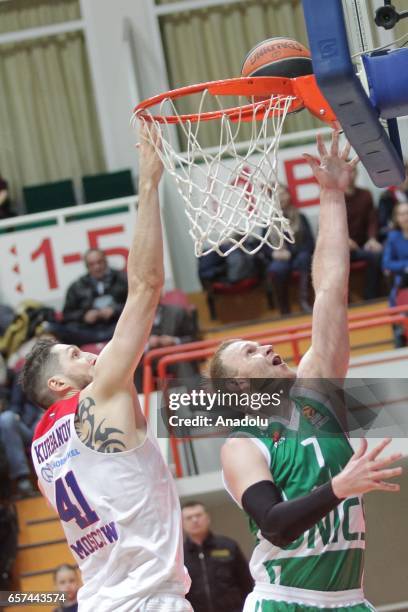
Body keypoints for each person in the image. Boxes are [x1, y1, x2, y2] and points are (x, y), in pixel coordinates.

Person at [210, 131, 403, 611]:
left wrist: (332, 194)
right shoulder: (243, 444)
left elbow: (332, 288)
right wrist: (339, 487)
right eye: (251, 351)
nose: (268, 346)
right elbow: (274, 523)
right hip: (284, 600)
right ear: (238, 384)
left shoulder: (317, 389)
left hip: (350, 601)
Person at [23, 125, 192, 612]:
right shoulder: (100, 395)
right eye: (75, 355)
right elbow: (145, 286)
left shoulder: (38, 449)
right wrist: (149, 184)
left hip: (100, 600)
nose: (92, 354)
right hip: (148, 601)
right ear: (59, 385)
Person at [182, 500, 253, 612]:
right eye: (189, 517)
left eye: (198, 515)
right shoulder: (180, 555)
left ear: (207, 518)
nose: (195, 520)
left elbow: (246, 582)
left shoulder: (228, 546)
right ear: (182, 523)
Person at [50, 249, 128, 346]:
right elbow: (67, 315)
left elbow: (136, 304)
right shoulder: (76, 287)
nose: (97, 267)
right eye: (92, 264)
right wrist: (84, 316)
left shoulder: (123, 279)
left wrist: (115, 310)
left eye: (100, 262)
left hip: (118, 327)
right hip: (88, 331)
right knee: (53, 328)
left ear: (106, 261)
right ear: (87, 266)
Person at [265, 185, 314, 314]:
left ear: (289, 195)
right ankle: (284, 309)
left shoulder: (300, 217)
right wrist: (273, 253)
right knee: (276, 269)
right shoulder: (269, 222)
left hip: (298, 256)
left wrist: (290, 253)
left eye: (283, 193)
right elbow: (264, 247)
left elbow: (310, 243)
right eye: (276, 195)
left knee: (305, 258)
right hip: (280, 258)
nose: (280, 198)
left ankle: (305, 302)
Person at [345, 166, 383, 300]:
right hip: (342, 248)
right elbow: (328, 225)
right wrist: (345, 240)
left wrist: (372, 238)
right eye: (345, 172)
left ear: (356, 173)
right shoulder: (334, 197)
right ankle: (345, 299)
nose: (349, 175)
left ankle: (371, 297)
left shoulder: (365, 194)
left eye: (352, 171)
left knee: (377, 255)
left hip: (362, 244)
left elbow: (372, 220)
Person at [382, 201, 408, 347]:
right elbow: (386, 263)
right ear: (397, 218)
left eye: (407, 213)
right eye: (402, 214)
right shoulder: (393, 238)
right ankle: (399, 332)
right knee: (393, 297)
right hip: (403, 281)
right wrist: (405, 266)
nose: (406, 217)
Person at [378, 162, 408, 242]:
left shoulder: (406, 193)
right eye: (405, 176)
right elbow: (383, 223)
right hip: (394, 234)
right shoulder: (386, 197)